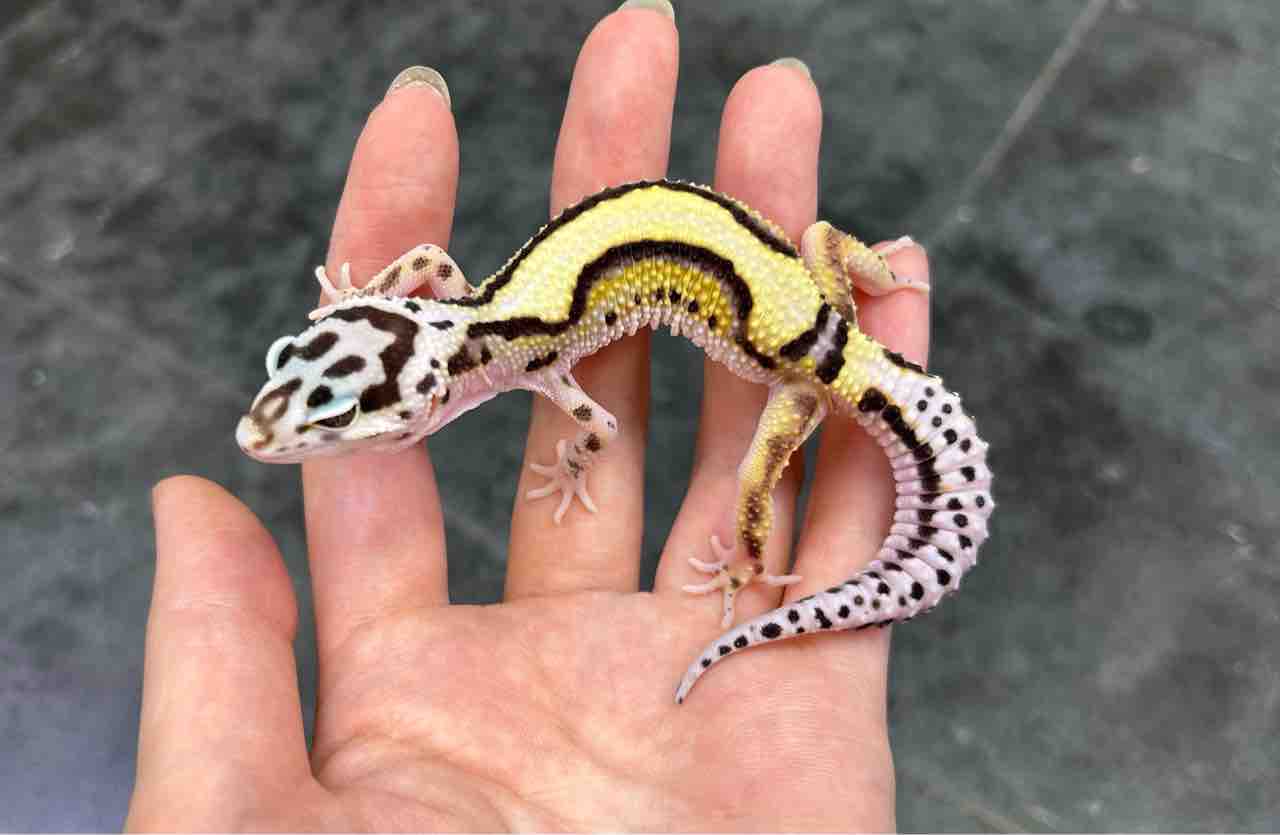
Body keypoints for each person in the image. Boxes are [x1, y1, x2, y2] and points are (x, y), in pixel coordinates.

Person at [128, 0, 929, 828]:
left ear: (427, 404)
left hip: (801, 363)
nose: (291, 432)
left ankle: (746, 571)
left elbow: (600, 426)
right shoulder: (480, 314)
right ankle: (881, 275)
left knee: (757, 470)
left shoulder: (535, 359)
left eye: (331, 419)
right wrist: (366, 305)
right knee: (819, 241)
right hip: (802, 292)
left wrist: (574, 462)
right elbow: (430, 260)